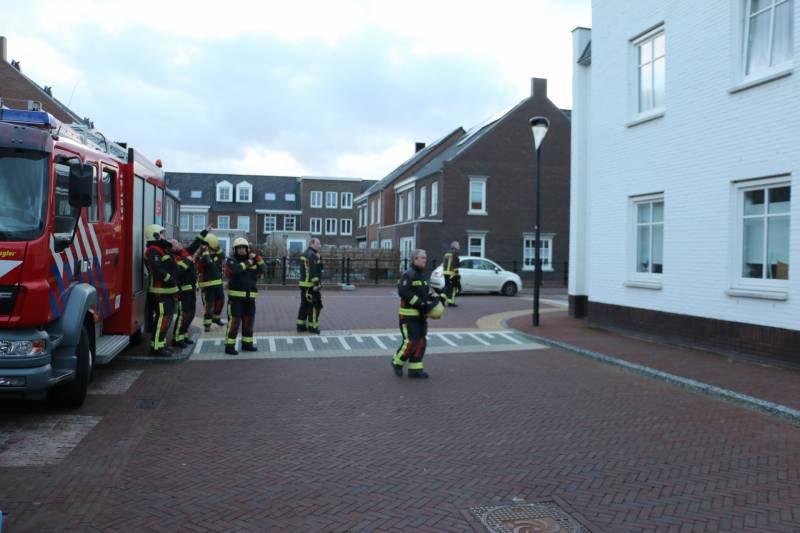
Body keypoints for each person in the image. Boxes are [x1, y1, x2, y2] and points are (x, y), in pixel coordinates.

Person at [392, 249, 440, 378]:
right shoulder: (408, 275)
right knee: (410, 342)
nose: (425, 260)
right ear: (415, 259)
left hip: (421, 316)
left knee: (421, 342)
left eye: (425, 257)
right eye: (422, 258)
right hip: (408, 317)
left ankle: (415, 369)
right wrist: (421, 304)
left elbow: (427, 291)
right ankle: (397, 362)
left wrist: (436, 297)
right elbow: (403, 292)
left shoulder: (422, 276)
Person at [170, 225, 212, 348]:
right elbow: (178, 271)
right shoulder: (173, 257)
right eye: (176, 243)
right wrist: (188, 261)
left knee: (191, 314)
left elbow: (196, 243)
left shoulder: (185, 252)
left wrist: (205, 231)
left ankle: (183, 336)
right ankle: (176, 338)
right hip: (183, 291)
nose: (179, 244)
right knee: (184, 314)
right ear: (171, 248)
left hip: (191, 290)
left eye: (177, 242)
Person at [224, 237, 265, 355]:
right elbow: (236, 270)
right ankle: (229, 346)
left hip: (250, 298)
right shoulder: (231, 260)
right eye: (239, 248)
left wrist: (257, 258)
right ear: (235, 250)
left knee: (249, 322)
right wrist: (249, 262)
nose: (241, 250)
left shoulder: (253, 260)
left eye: (243, 248)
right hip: (235, 299)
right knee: (234, 322)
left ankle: (247, 344)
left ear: (247, 249)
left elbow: (264, 268)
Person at [144, 224, 178, 356]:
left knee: (166, 318)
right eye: (162, 234)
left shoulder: (162, 249)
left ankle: (161, 343)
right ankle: (156, 347)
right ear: (156, 235)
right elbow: (157, 270)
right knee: (162, 319)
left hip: (167, 291)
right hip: (160, 292)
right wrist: (171, 279)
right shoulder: (153, 250)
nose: (164, 236)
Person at [197, 233, 226, 332]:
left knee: (220, 302)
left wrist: (217, 247)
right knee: (209, 305)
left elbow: (223, 255)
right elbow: (207, 262)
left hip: (218, 283)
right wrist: (204, 251)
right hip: (208, 285)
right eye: (211, 248)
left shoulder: (216, 254)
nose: (212, 250)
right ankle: (207, 324)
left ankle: (216, 318)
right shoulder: (202, 256)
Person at [296, 237, 323, 334]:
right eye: (318, 243)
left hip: (304, 284)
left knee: (304, 305)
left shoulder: (307, 253)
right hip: (310, 286)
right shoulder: (312, 255)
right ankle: (313, 327)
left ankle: (301, 325)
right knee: (314, 306)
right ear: (312, 244)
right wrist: (316, 284)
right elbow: (313, 271)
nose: (320, 246)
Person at [442, 241, 461, 307]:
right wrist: (456, 274)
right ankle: (451, 302)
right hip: (452, 273)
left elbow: (444, 263)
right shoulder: (455, 253)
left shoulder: (447, 253)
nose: (459, 246)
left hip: (445, 272)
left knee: (447, 287)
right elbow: (455, 264)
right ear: (455, 246)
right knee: (454, 288)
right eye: (458, 245)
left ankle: (442, 299)